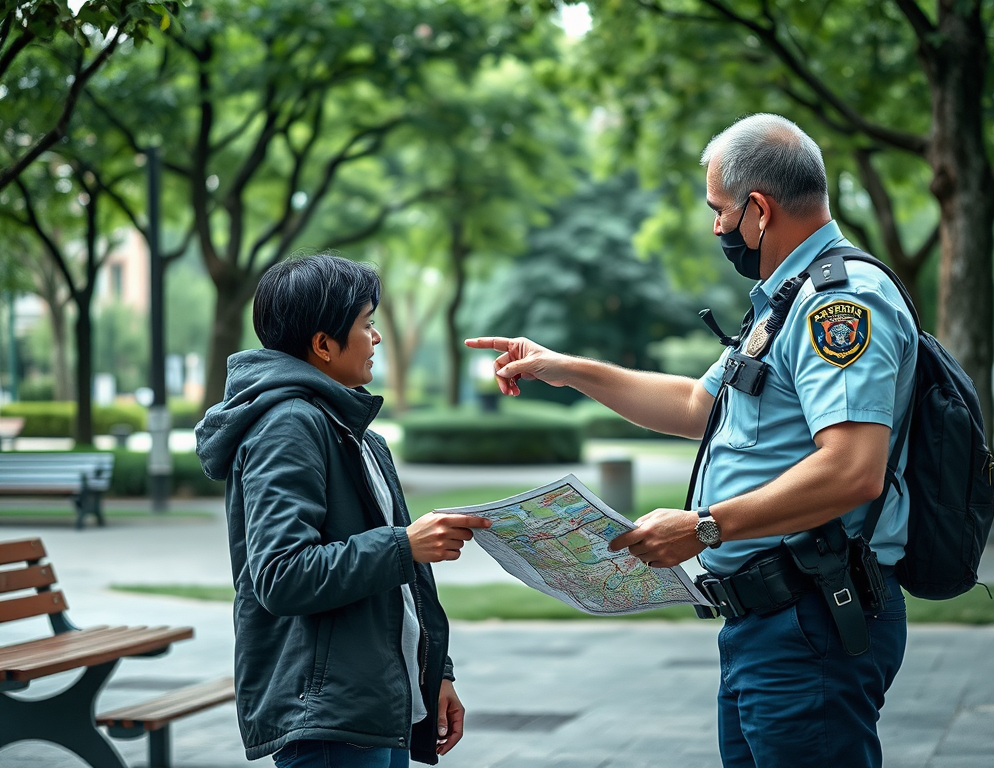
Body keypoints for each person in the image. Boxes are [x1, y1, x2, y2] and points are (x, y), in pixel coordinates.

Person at [466, 114, 917, 768]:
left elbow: (853, 471)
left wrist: (705, 527)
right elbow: (694, 404)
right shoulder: (783, 302)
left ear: (759, 209)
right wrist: (561, 367)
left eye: (720, 210)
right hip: (768, 624)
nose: (716, 228)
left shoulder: (837, 304)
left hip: (811, 620)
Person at [196, 254, 490, 768]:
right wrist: (405, 544)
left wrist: (436, 672)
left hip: (378, 703)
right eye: (366, 324)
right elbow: (281, 575)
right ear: (323, 344)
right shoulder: (287, 425)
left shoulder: (353, 430)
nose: (376, 338)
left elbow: (403, 582)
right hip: (329, 718)